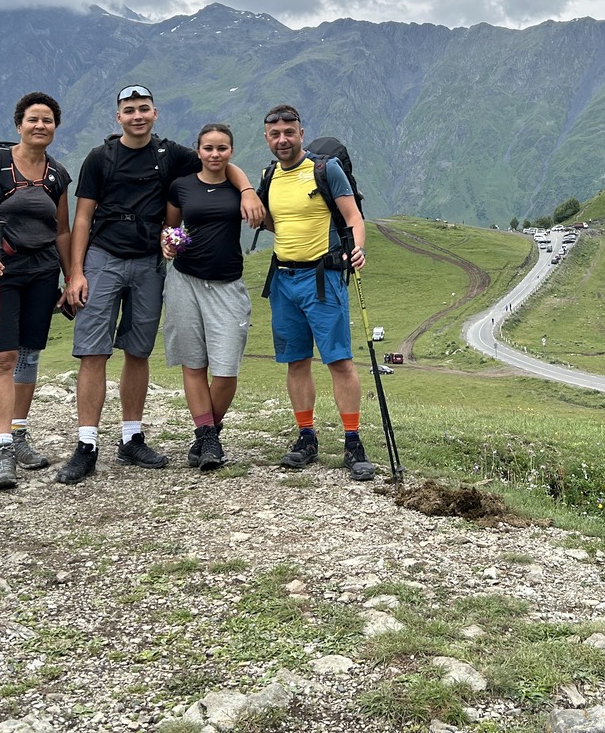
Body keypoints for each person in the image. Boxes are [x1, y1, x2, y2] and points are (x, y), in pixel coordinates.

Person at [58, 84, 263, 484]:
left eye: (144, 109)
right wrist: (76, 273)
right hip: (102, 257)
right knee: (92, 351)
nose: (137, 116)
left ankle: (131, 438)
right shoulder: (100, 157)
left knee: (138, 351)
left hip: (150, 262)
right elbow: (81, 217)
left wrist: (248, 189)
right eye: (129, 110)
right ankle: (86, 446)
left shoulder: (172, 155)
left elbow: (218, 159)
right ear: (118, 117)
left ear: (155, 113)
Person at [0, 92, 73, 490]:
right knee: (1, 358)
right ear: (18, 124)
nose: (40, 126)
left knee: (28, 353)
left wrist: (71, 276)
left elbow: (61, 230)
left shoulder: (57, 173)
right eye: (33, 119)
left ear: (55, 127)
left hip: (41, 271)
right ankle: (2, 445)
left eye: (48, 120)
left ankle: (18, 433)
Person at [258, 104, 376, 481]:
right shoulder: (268, 176)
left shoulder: (325, 170)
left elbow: (354, 216)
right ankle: (306, 437)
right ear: (266, 138)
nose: (282, 140)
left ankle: (353, 442)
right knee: (296, 361)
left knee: (339, 360)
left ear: (301, 133)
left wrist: (357, 248)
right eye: (275, 134)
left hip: (322, 278)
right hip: (283, 279)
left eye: (289, 132)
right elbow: (275, 222)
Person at [162, 123, 252, 471]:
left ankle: (206, 433)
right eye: (209, 148)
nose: (215, 154)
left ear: (231, 152)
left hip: (228, 285)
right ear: (197, 150)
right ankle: (209, 438)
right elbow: (170, 227)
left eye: (222, 148)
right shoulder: (181, 187)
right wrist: (167, 242)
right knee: (194, 363)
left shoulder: (240, 186)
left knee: (226, 369)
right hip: (185, 280)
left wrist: (246, 190)